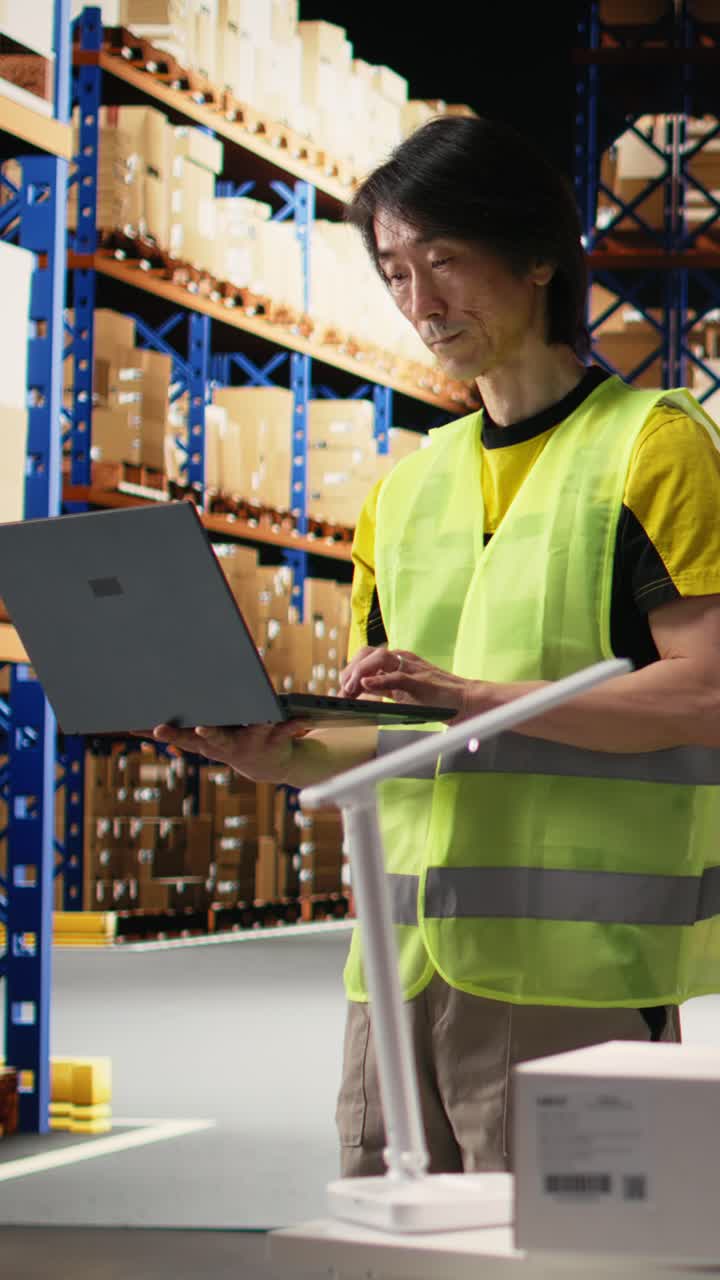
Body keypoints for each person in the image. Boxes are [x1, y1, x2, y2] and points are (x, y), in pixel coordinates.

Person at [153, 115, 720, 1177]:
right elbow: (385, 738)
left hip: (573, 977)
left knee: (574, 1263)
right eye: (396, 271)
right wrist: (274, 754)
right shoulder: (405, 488)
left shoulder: (658, 445)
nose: (421, 304)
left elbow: (705, 694)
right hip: (397, 971)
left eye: (446, 261)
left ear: (538, 255)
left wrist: (471, 699)